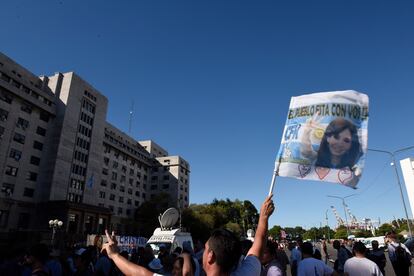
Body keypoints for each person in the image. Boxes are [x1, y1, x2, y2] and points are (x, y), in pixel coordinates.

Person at [101, 195, 275, 276]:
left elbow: (140, 274)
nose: (203, 252)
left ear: (211, 256)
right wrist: (263, 218)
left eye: (206, 248)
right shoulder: (247, 272)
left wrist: (114, 255)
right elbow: (257, 249)